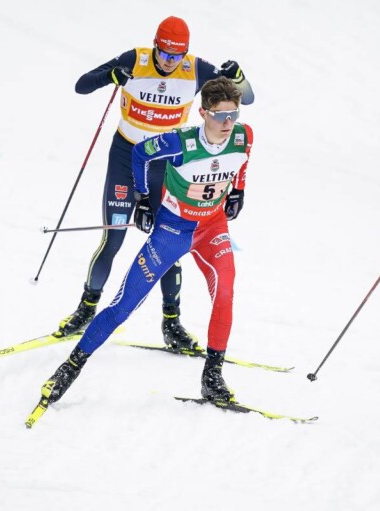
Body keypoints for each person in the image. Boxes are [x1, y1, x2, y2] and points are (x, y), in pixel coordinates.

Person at [39, 76, 252, 407]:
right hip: (173, 230)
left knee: (225, 291)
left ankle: (213, 377)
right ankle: (70, 367)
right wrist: (141, 198)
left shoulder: (242, 135)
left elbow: (242, 161)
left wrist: (238, 189)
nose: (227, 123)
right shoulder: (180, 142)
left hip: (212, 227)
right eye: (220, 115)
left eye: (233, 115)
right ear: (203, 113)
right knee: (125, 304)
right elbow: (140, 153)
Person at [57, 16, 255, 352]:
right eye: (164, 54)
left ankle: (171, 323)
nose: (168, 62)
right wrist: (111, 75)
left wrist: (240, 77)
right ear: (156, 46)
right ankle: (86, 309)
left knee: (168, 244)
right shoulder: (136, 60)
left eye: (176, 56)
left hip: (166, 166)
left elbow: (245, 99)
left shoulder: (195, 69)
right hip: (126, 157)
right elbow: (81, 85)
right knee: (113, 236)